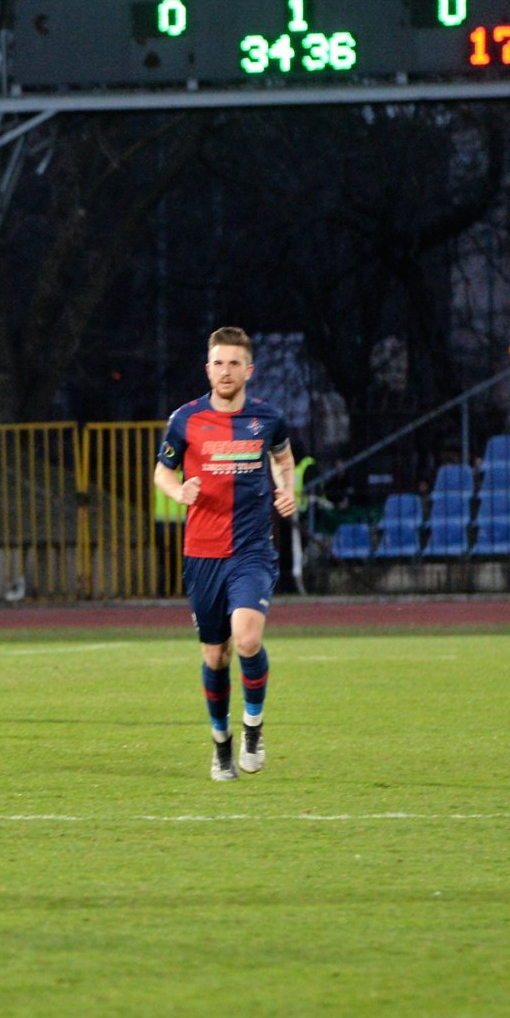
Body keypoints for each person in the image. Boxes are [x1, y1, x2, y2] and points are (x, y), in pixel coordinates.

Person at [152, 327, 295, 782]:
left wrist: (287, 490)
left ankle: (253, 728)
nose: (226, 371)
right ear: (208, 367)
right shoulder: (185, 420)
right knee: (216, 656)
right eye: (219, 362)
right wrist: (179, 491)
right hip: (202, 553)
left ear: (248, 370)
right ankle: (221, 744)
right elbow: (162, 472)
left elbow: (284, 459)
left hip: (251, 549)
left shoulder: (268, 419)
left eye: (235, 363)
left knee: (247, 639)